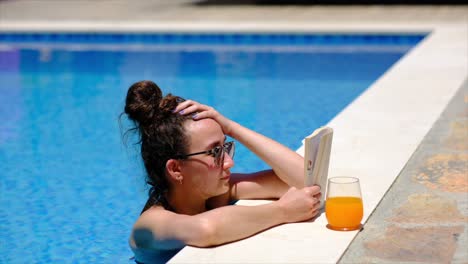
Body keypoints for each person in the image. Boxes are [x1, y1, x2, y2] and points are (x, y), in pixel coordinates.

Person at [123, 80, 322, 263]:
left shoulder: (215, 193)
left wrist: (230, 127)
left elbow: (305, 179)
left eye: (225, 147)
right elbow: (206, 229)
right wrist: (283, 211)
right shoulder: (148, 227)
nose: (229, 163)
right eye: (215, 152)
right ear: (176, 169)